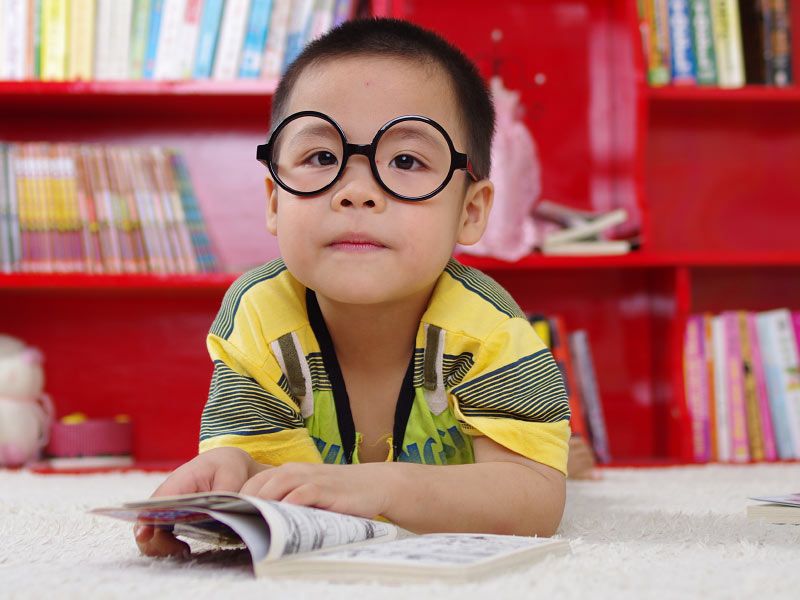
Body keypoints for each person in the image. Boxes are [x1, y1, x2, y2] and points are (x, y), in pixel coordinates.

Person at [135, 17, 574, 558]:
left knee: (562, 460)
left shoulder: (489, 329)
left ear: (471, 210)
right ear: (274, 201)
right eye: (322, 158)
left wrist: (380, 486)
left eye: (407, 160)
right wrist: (235, 471)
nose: (358, 192)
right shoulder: (257, 314)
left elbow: (536, 499)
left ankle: (571, 448)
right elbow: (272, 472)